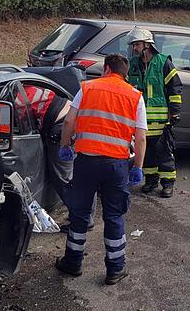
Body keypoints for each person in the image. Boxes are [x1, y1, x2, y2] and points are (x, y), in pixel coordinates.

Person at [54, 54, 147, 285]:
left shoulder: (87, 88)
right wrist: (138, 167)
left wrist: (66, 146)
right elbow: (141, 138)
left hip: (86, 161)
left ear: (106, 69)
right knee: (114, 215)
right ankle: (115, 269)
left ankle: (73, 263)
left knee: (80, 213)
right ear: (125, 74)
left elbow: (68, 121)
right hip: (116, 166)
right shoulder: (135, 96)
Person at [126, 27, 183, 198]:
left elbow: (175, 89)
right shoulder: (133, 64)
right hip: (140, 120)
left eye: (136, 44)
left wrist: (174, 113)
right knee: (147, 153)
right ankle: (151, 180)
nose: (134, 48)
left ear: (147, 45)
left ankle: (167, 184)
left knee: (164, 153)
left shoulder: (163, 62)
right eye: (134, 45)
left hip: (160, 119)